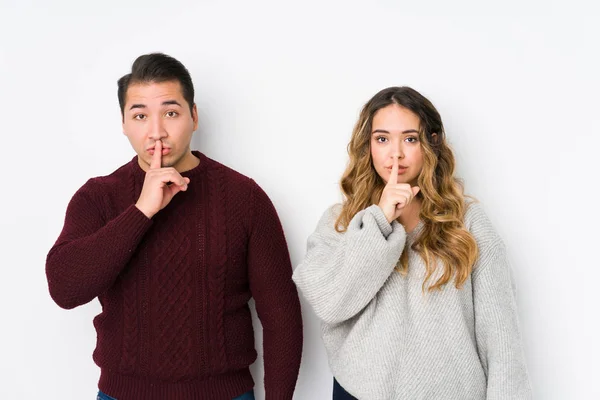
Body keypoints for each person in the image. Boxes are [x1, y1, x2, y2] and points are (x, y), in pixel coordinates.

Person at [46, 53, 303, 400]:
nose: (157, 132)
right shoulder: (98, 197)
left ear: (194, 116)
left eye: (171, 112)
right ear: (123, 123)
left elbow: (281, 315)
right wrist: (141, 211)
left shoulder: (245, 198)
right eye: (140, 115)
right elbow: (65, 289)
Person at [292, 86, 531, 399]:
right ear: (368, 146)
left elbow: (501, 342)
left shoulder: (467, 221)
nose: (396, 154)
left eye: (410, 138)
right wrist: (379, 219)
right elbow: (330, 303)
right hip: (359, 392)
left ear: (431, 143)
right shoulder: (340, 222)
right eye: (382, 139)